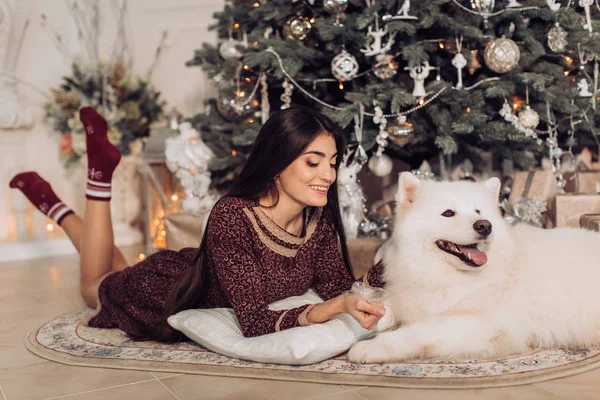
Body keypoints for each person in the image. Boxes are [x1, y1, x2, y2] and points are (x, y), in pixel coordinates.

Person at [10, 106, 385, 343]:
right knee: (93, 285)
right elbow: (254, 322)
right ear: (276, 163)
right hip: (165, 290)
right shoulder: (234, 216)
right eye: (313, 162)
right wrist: (334, 308)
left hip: (190, 266)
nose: (329, 175)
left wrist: (396, 265)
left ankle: (54, 206)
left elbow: (336, 285)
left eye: (333, 162)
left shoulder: (315, 218)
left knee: (114, 265)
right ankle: (97, 178)